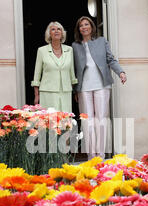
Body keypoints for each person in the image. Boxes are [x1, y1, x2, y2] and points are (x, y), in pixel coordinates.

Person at [72, 16, 127, 160]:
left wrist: (120, 72)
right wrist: (74, 89)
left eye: (86, 24)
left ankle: (101, 156)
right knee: (87, 122)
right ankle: (92, 156)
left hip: (102, 85)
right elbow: (72, 69)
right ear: (78, 29)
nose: (84, 27)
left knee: (101, 120)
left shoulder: (102, 41)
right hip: (83, 87)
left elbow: (111, 59)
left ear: (91, 26)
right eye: (81, 25)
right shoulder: (75, 46)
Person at [31, 21, 78, 113]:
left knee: (65, 121)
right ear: (49, 34)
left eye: (59, 29)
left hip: (65, 92)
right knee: (49, 121)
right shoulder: (41, 51)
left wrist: (73, 90)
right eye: (53, 29)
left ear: (62, 33)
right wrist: (36, 95)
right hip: (47, 92)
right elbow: (37, 75)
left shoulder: (69, 50)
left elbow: (72, 73)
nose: (56, 31)